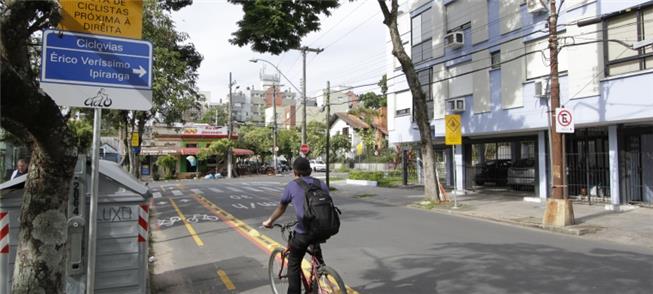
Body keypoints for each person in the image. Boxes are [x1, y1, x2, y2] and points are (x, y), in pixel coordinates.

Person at [262, 157, 329, 294]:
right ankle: (320, 275)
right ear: (310, 170)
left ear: (295, 171)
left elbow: (281, 208)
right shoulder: (321, 184)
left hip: (304, 232)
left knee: (293, 263)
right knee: (317, 259)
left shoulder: (292, 185)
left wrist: (269, 222)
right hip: (324, 229)